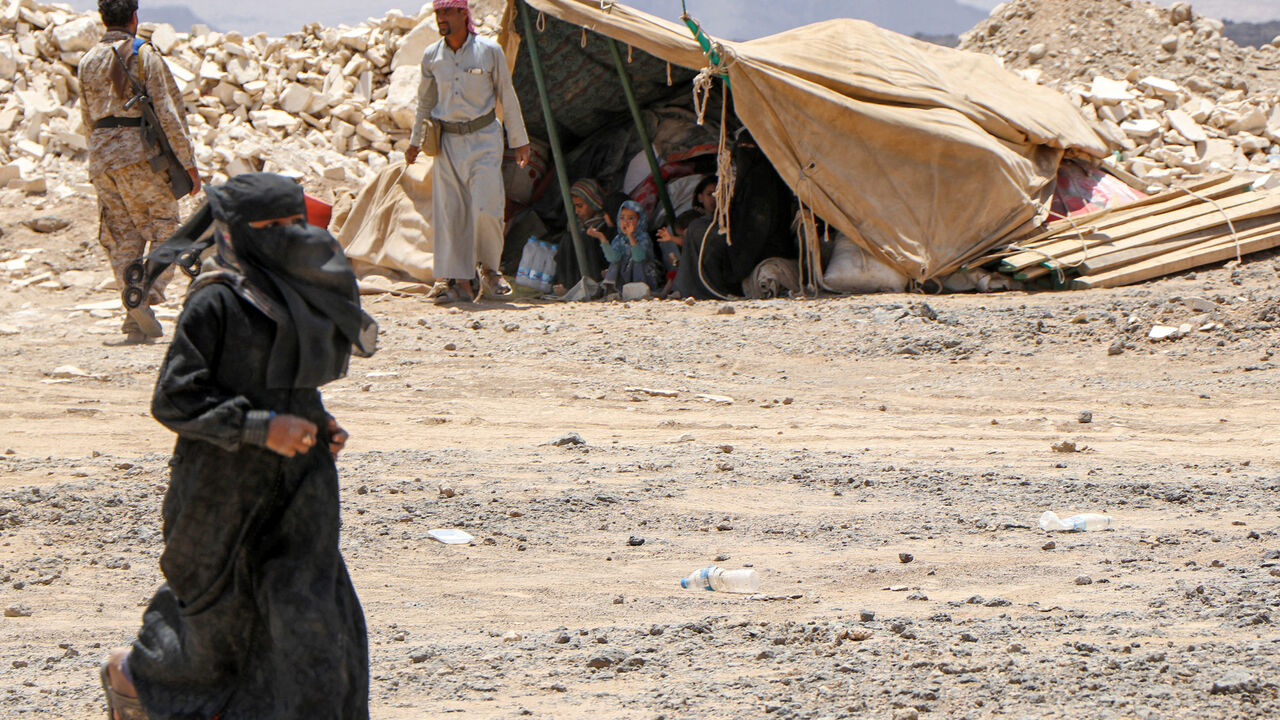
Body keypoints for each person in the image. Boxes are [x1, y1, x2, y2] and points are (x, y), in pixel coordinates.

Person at [97, 173, 377, 720]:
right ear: (236, 232)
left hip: (297, 489)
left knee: (312, 620)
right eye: (271, 227)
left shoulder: (298, 294)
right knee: (213, 630)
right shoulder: (215, 302)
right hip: (219, 494)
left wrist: (320, 422)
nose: (287, 235)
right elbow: (174, 400)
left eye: (293, 223)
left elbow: (294, 382)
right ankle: (130, 677)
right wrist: (258, 427)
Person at [78, 0, 200, 344]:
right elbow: (168, 111)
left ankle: (133, 318)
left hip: (103, 160)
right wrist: (189, 164)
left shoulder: (87, 61)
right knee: (165, 226)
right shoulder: (141, 52)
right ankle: (144, 293)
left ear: (103, 19)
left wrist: (101, 157)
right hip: (141, 156)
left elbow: (87, 117)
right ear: (134, 17)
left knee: (121, 237)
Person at [406, 0, 531, 304]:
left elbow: (506, 93)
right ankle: (460, 282)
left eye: (447, 12)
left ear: (464, 14)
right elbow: (425, 102)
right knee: (452, 213)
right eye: (438, 13)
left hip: (484, 139)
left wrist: (519, 140)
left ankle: (490, 269)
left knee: (487, 207)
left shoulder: (489, 51)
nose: (441, 19)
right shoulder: (431, 56)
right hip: (447, 142)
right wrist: (414, 141)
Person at [590, 200, 659, 295]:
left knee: (635, 262)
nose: (625, 222)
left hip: (643, 275)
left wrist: (631, 237)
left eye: (631, 218)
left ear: (639, 221)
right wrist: (602, 238)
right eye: (622, 218)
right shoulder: (619, 239)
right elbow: (613, 258)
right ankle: (613, 289)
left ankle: (638, 291)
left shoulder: (643, 238)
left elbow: (639, 258)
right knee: (616, 263)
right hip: (625, 275)